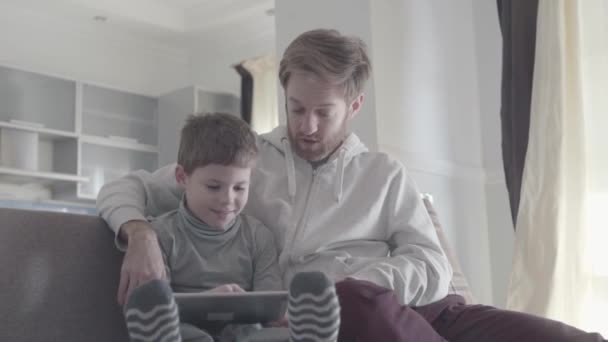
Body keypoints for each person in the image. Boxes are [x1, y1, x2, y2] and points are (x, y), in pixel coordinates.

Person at [99, 29, 606, 342]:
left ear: (355, 106)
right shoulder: (242, 162)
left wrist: (360, 280)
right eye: (297, 109)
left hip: (432, 314)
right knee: (356, 305)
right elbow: (126, 188)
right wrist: (140, 235)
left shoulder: (383, 174)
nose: (308, 126)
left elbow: (431, 265)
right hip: (345, 322)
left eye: (324, 112)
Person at [121, 113, 340, 342]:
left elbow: (269, 303)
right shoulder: (161, 234)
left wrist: (254, 310)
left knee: (267, 335)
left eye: (239, 188)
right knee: (184, 333)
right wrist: (211, 300)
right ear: (182, 177)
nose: (227, 199)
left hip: (245, 331)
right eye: (214, 187)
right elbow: (153, 302)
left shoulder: (258, 236)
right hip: (182, 327)